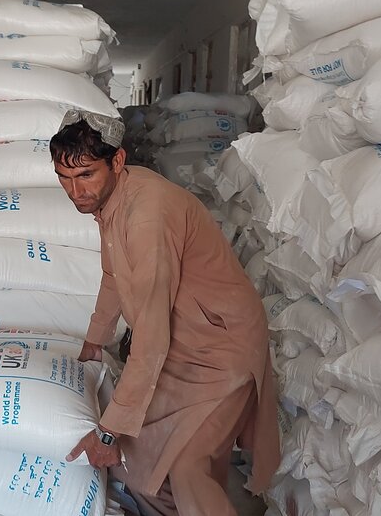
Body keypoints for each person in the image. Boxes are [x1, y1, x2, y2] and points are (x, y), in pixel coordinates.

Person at [55, 110, 280, 516]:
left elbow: (152, 336)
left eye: (85, 175)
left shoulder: (146, 214)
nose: (75, 192)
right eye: (65, 179)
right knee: (142, 457)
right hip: (185, 342)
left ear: (117, 161)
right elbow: (114, 275)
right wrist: (94, 342)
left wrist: (106, 433)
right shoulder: (111, 202)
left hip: (220, 346)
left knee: (188, 465)